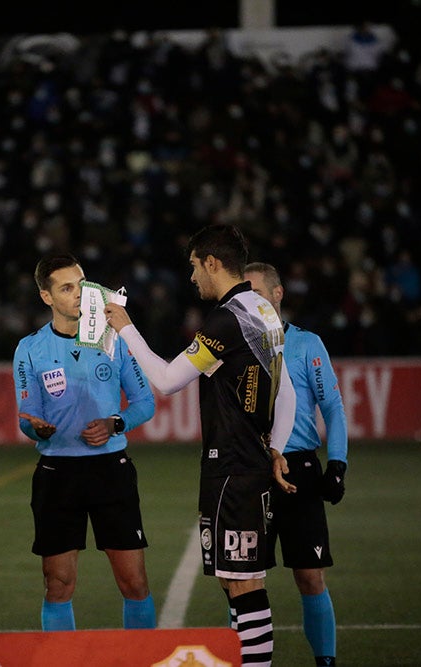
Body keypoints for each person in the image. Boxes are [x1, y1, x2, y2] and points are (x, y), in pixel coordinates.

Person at [104, 224, 297, 667]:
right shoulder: (264, 312)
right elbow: (285, 389)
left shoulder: (229, 319)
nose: (192, 277)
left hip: (233, 466)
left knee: (245, 584)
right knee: (236, 581)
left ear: (212, 263)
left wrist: (127, 328)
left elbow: (168, 381)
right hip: (245, 461)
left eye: (194, 266)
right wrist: (277, 447)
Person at [13, 252, 157, 632]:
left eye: (81, 283)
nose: (78, 293)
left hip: (111, 470)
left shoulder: (114, 339)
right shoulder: (29, 349)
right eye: (66, 287)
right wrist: (36, 430)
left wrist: (116, 422)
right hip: (57, 473)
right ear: (47, 297)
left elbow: (145, 403)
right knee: (58, 585)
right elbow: (28, 415)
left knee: (134, 582)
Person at [244, 262, 348, 667]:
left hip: (299, 469)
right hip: (250, 470)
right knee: (244, 582)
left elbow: (333, 408)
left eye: (256, 292)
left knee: (310, 576)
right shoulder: (235, 347)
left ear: (278, 294)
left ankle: (325, 662)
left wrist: (336, 464)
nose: (250, 302)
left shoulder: (307, 345)